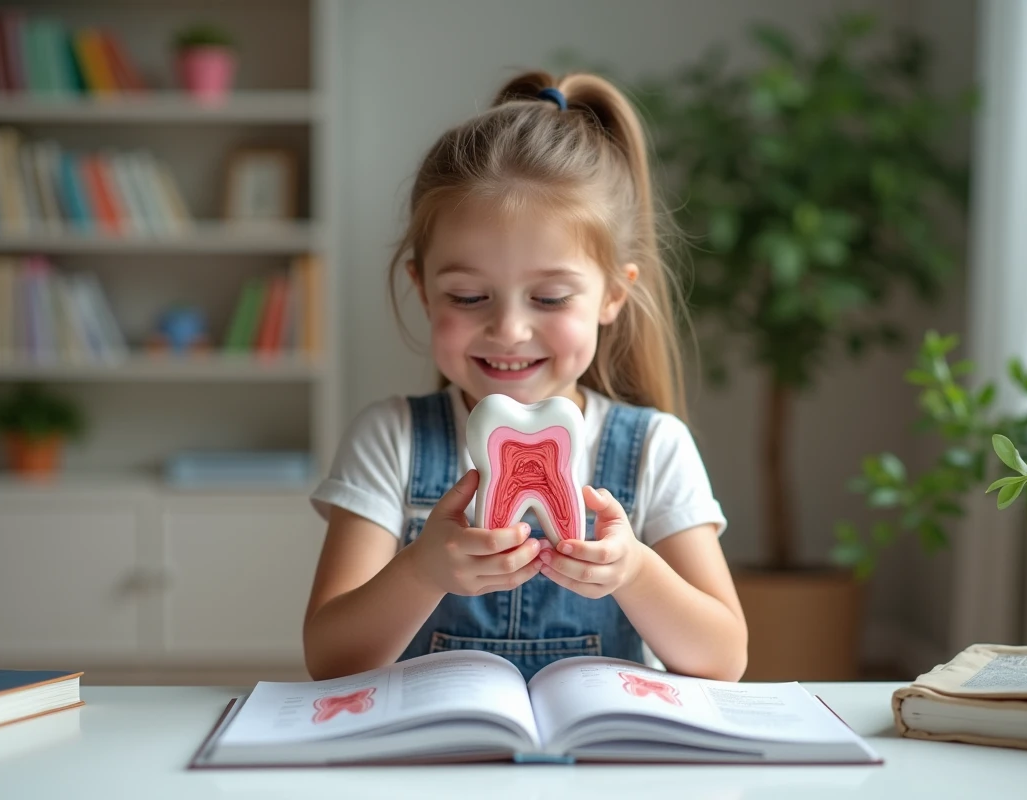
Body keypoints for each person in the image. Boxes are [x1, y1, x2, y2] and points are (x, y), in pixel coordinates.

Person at [303, 70, 747, 683]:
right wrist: (422, 571)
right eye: (467, 295)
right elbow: (329, 658)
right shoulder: (391, 439)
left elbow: (724, 659)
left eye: (550, 298)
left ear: (614, 295)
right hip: (431, 774)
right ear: (423, 290)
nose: (509, 329)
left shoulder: (654, 448)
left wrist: (635, 573)